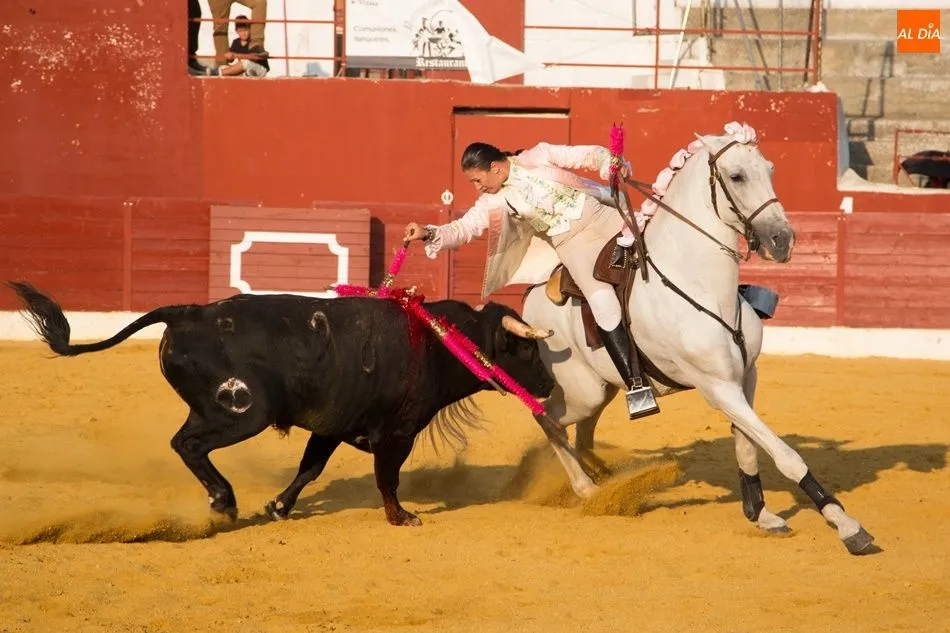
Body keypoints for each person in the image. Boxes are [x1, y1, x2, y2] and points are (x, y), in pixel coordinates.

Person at [404, 141, 649, 420]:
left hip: (602, 216)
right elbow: (464, 228)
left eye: (477, 180)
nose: (477, 188)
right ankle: (636, 385)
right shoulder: (493, 201)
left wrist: (607, 162)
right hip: (572, 244)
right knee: (602, 301)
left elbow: (586, 155)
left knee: (657, 246)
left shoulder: (539, 155)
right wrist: (429, 233)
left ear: (495, 168)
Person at [209, 0, 268, 66]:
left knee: (259, 2)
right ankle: (222, 65)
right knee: (220, 27)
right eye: (241, 31)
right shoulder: (236, 43)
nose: (243, 33)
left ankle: (256, 46)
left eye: (245, 30)